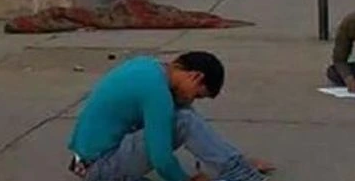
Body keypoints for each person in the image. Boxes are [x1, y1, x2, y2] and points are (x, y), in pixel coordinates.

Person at [68, 52, 273, 181]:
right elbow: (162, 159)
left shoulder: (148, 67)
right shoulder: (157, 92)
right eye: (197, 95)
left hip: (86, 162)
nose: (193, 100)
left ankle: (234, 164)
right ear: (195, 76)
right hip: (100, 168)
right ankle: (239, 173)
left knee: (182, 112)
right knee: (184, 119)